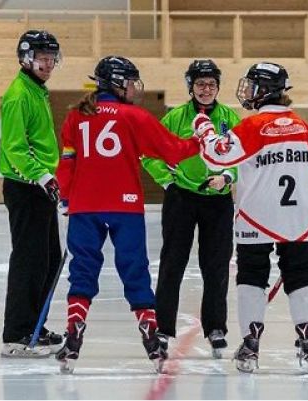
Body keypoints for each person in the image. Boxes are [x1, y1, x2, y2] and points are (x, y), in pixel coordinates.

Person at [54, 56, 202, 373]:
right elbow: (172, 151)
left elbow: (67, 161)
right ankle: (149, 328)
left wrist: (65, 197)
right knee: (134, 268)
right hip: (125, 204)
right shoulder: (133, 116)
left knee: (82, 269)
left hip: (85, 205)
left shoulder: (76, 117)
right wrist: (200, 141)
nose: (135, 88)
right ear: (119, 82)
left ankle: (75, 325)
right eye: (132, 81)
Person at [192, 62, 308, 373]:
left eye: (253, 86)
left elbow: (216, 156)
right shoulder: (303, 127)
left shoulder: (252, 127)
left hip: (258, 218)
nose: (248, 91)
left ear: (265, 91)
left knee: (252, 276)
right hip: (298, 220)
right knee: (302, 277)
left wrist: (204, 128)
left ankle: (251, 343)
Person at [142, 59, 241, 358]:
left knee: (216, 265)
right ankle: (163, 326)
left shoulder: (230, 118)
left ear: (218, 87)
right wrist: (167, 181)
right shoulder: (174, 118)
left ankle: (215, 327)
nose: (206, 89)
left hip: (219, 201)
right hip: (181, 199)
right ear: (190, 87)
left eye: (211, 85)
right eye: (200, 84)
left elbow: (241, 158)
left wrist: (226, 177)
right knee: (172, 263)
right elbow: (148, 152)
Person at [0, 30, 64, 358]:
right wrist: (43, 177)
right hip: (25, 188)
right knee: (29, 260)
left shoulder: (38, 90)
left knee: (50, 258)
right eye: (42, 58)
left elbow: (41, 143)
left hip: (41, 188)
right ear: (25, 57)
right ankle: (17, 334)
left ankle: (36, 324)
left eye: (52, 58)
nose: (48, 64)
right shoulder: (18, 95)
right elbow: (14, 148)